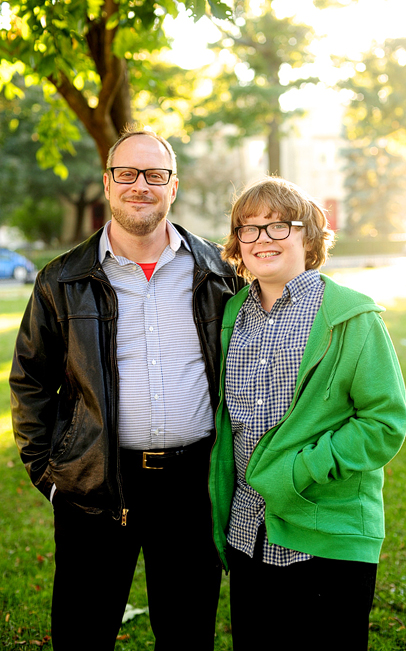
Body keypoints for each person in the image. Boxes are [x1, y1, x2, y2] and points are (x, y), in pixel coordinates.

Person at [9, 126, 243, 649]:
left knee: (187, 633)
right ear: (110, 182)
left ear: (173, 187)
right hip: (94, 483)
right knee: (83, 632)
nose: (141, 185)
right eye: (128, 173)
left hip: (192, 484)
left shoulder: (220, 274)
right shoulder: (60, 280)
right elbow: (30, 381)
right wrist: (48, 474)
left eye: (155, 175)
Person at [208, 176, 406, 649]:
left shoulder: (352, 317)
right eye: (249, 229)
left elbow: (384, 424)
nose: (262, 239)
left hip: (327, 536)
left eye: (279, 226)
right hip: (247, 529)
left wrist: (297, 471)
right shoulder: (233, 315)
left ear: (308, 236)